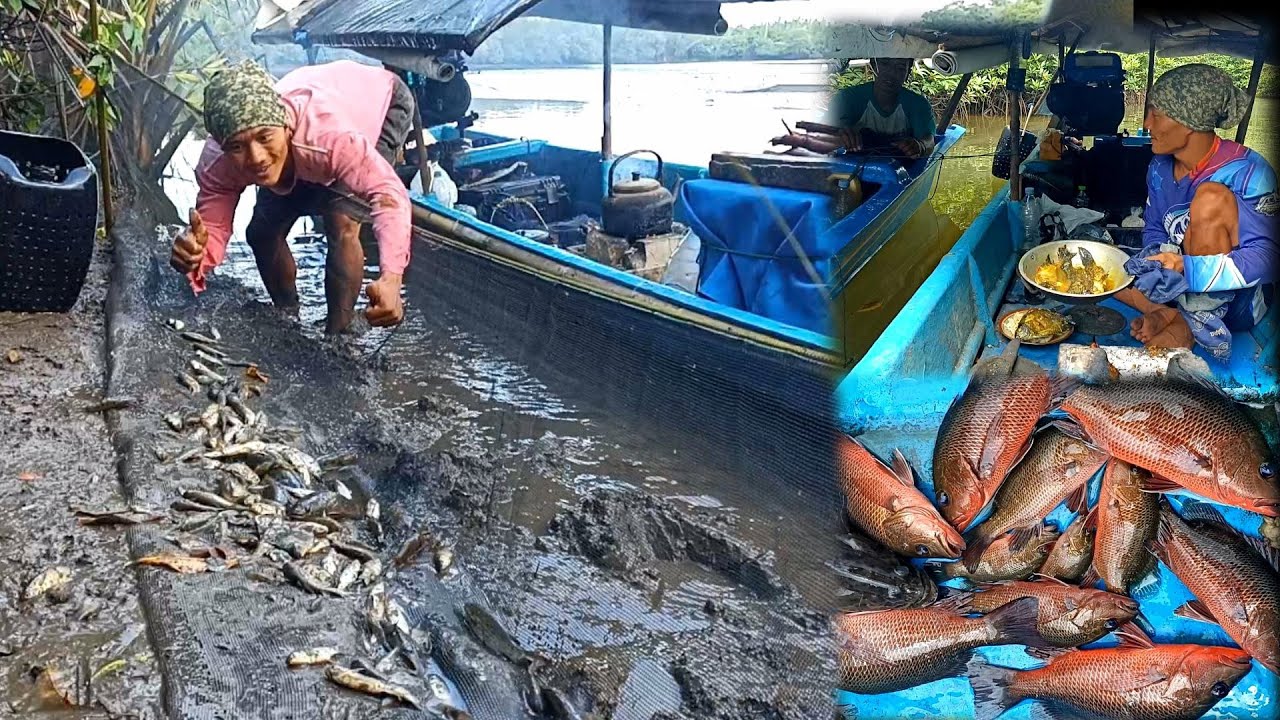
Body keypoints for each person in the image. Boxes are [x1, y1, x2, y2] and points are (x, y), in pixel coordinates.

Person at [169, 60, 413, 334]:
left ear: (284, 126)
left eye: (264, 137)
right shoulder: (218, 165)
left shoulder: (330, 140)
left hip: (381, 101)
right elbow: (210, 230)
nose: (256, 158)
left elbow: (388, 194)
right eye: (237, 146)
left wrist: (391, 277)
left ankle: (339, 335)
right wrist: (195, 254)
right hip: (307, 140)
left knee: (341, 220)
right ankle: (287, 317)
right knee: (262, 232)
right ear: (222, 146)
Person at [1116, 63, 1277, 358]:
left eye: (1157, 115)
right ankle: (1167, 314)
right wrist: (1156, 267)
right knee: (1109, 271)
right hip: (1182, 287)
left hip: (1237, 303)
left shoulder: (1249, 172)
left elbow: (1267, 258)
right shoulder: (1159, 168)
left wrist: (1185, 268)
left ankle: (1192, 326)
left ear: (1188, 121)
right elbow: (1155, 227)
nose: (1147, 124)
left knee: (1210, 198)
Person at [771, 58, 937, 159]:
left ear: (908, 72)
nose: (891, 73)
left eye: (900, 68)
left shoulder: (918, 104)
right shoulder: (847, 98)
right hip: (853, 164)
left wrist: (919, 146)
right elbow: (824, 134)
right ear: (874, 64)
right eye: (885, 64)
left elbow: (929, 140)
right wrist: (842, 133)